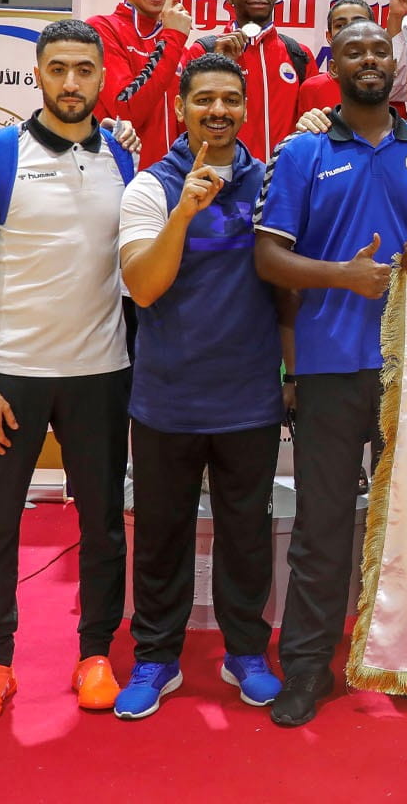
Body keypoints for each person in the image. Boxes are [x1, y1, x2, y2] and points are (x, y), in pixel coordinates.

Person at [253, 20, 407, 727]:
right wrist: (341, 278)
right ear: (334, 65)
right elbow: (269, 258)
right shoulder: (303, 151)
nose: (370, 60)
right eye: (355, 51)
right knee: (320, 526)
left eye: (381, 51)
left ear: (396, 66)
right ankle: (310, 669)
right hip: (329, 368)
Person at [0, 19, 134, 726]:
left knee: (103, 526)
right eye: (58, 68)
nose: (71, 82)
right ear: (38, 74)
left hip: (102, 371)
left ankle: (94, 655)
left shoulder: (123, 157)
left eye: (84, 69)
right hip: (12, 376)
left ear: (101, 76)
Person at [114, 53, 291, 719]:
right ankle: (157, 658)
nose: (217, 111)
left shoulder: (271, 181)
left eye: (229, 100)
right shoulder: (149, 188)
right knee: (162, 535)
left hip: (248, 395)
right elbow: (143, 285)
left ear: (245, 109)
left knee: (247, 535)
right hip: (167, 397)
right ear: (181, 109)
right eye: (203, 100)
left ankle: (246, 651)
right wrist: (185, 213)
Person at [184, 0, 309, 164]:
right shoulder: (203, 51)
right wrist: (219, 65)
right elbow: (185, 123)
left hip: (285, 182)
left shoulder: (298, 54)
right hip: (223, 182)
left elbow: (311, 126)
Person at [89, 0, 192, 168]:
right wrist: (174, 37)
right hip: (120, 183)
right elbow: (126, 112)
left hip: (174, 186)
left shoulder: (178, 47)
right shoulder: (101, 30)